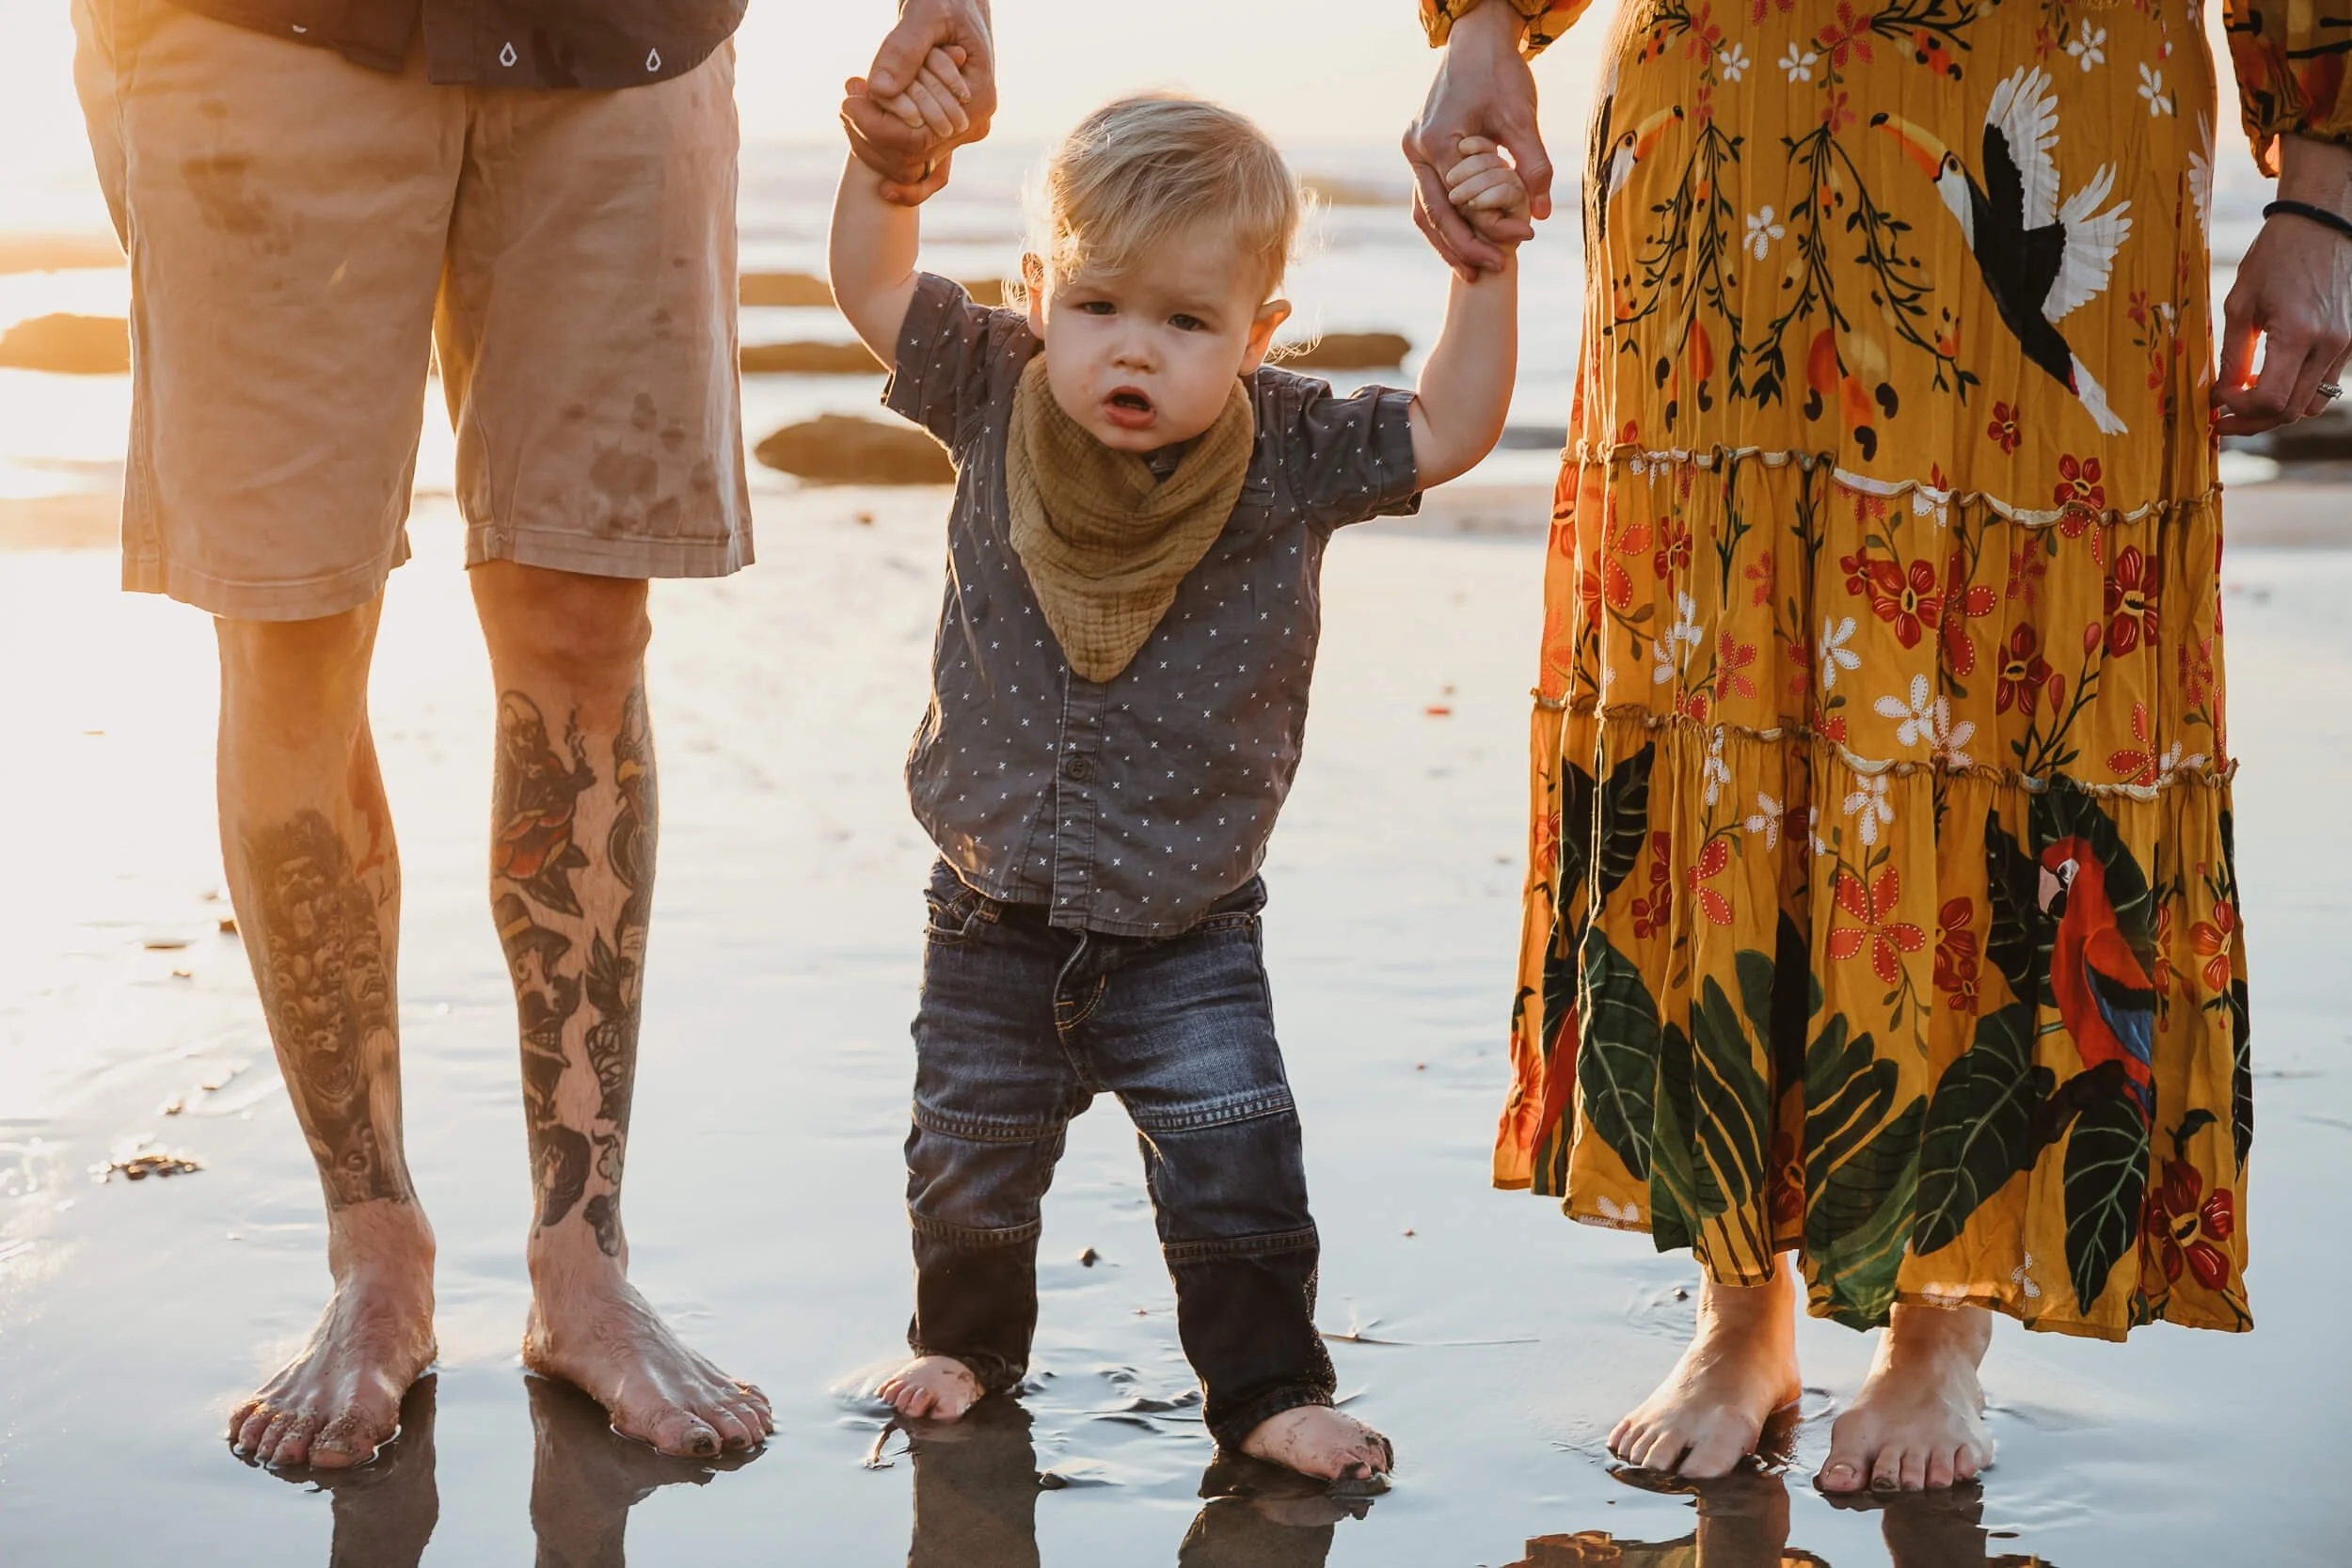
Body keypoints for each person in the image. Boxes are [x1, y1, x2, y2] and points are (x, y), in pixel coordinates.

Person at [1403, 0, 2350, 1492]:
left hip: (2054, 89)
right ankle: (1736, 1298)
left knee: (2002, 690)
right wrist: (1484, 33)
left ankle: (1940, 1320)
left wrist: (2325, 178)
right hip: (1718, 112)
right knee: (1726, 671)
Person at [67, 0, 993, 1469]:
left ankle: (583, 1259)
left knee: (584, 626)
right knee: (291, 624)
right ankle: (374, 1251)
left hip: (627, 36)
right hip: (254, 34)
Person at [827, 76, 1526, 1483]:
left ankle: (1269, 1388)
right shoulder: (989, 387)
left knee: (1236, 1166)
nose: (1129, 352)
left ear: (1260, 334)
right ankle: (965, 1341)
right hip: (989, 909)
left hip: (1189, 926)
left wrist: (1484, 272)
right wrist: (893, 174)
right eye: (1097, 306)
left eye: (1186, 321)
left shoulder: (1291, 451)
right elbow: (870, 285)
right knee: (966, 1155)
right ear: (1037, 292)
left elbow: (1450, 427)